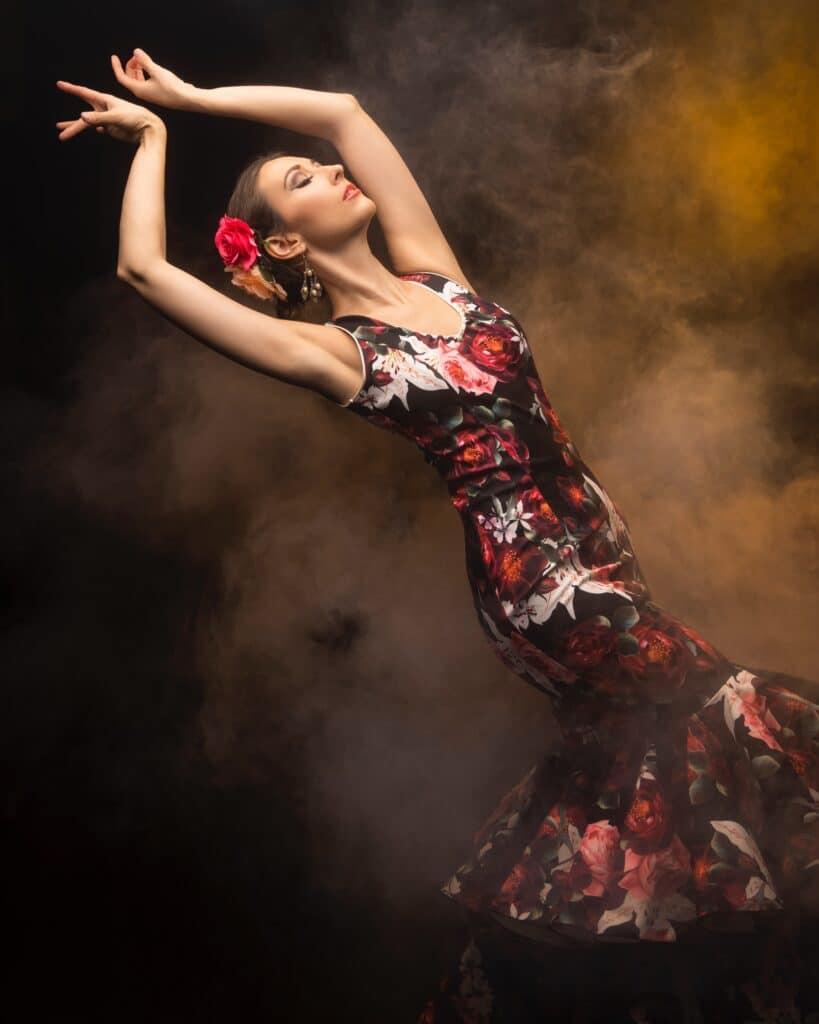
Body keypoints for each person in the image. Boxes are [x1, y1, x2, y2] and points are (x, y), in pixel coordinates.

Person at [56, 50, 818, 1023]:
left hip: (602, 550)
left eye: (318, 167)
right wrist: (155, 140)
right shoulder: (342, 355)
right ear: (285, 248)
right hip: (542, 587)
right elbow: (142, 268)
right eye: (301, 182)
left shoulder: (442, 282)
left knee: (643, 760)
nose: (332, 172)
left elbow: (341, 112)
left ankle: (605, 984)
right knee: (728, 712)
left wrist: (194, 98)